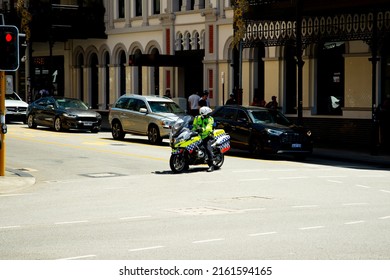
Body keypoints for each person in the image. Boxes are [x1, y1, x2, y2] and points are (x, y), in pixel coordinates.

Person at [192, 106, 215, 172]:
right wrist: (192, 130)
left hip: (207, 136)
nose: (208, 115)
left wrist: (202, 129)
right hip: (198, 136)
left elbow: (209, 127)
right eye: (207, 114)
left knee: (208, 148)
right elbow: (194, 126)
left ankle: (211, 165)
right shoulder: (197, 118)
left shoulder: (210, 119)